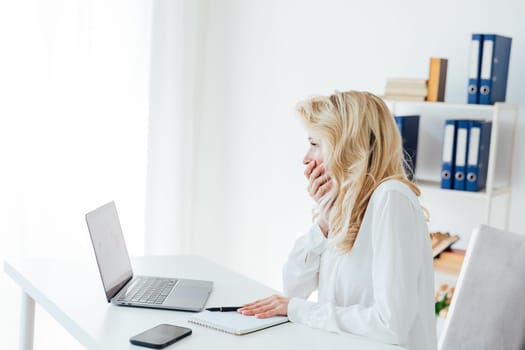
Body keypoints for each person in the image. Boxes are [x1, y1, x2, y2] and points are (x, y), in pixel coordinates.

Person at [238, 91, 437, 349]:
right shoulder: (345, 205)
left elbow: (391, 326)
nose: (306, 159)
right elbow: (293, 288)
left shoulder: (391, 199)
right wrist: (324, 220)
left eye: (315, 143)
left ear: (347, 146)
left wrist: (299, 310)